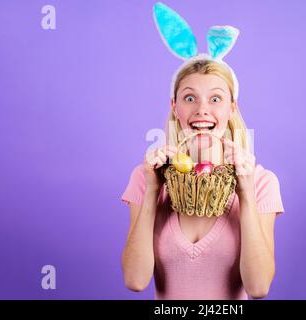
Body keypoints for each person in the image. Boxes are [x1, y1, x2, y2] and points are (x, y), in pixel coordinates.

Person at [120, 2, 285, 300]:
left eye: (216, 99)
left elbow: (258, 288)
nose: (202, 110)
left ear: (231, 108)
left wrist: (245, 193)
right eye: (189, 98)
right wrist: (151, 191)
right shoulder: (146, 177)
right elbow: (135, 279)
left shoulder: (262, 182)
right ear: (175, 107)